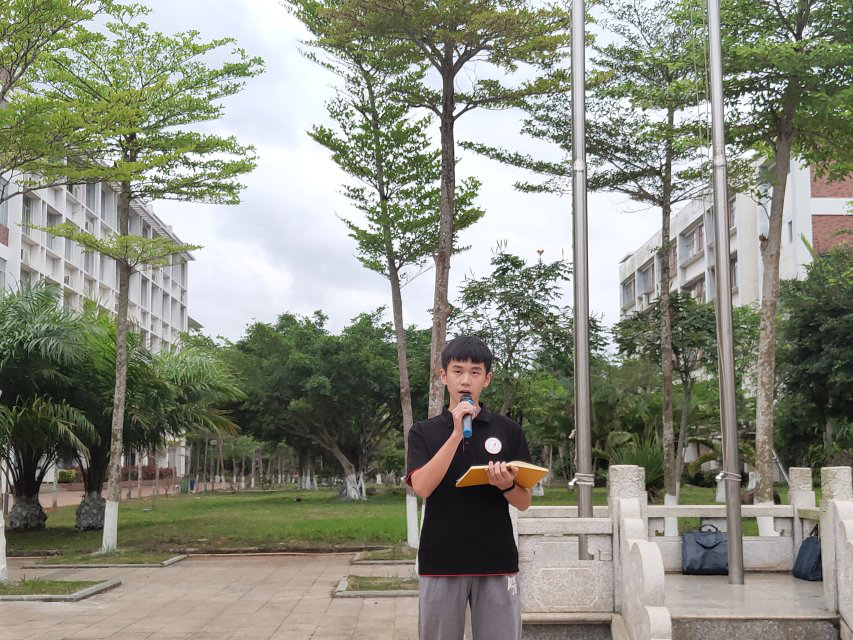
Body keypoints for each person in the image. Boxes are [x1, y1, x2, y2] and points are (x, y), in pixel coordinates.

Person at [406, 335, 533, 640]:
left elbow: (524, 501)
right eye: (457, 371)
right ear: (443, 376)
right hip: (441, 561)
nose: (465, 380)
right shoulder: (423, 431)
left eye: (475, 372)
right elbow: (422, 487)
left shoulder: (508, 430)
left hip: (496, 560)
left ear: (487, 379)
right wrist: (455, 433)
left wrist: (506, 486)